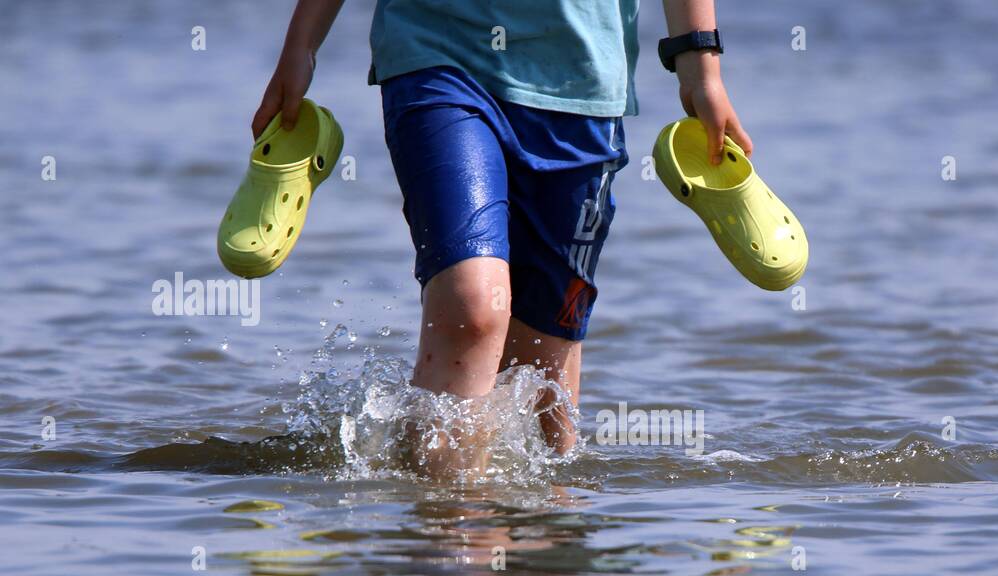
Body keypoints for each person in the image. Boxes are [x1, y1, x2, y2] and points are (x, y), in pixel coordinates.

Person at [253, 1, 751, 471]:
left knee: (542, 369)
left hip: (582, 76)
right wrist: (302, 45)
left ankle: (540, 539)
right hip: (437, 51)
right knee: (474, 308)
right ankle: (444, 536)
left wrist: (699, 64)